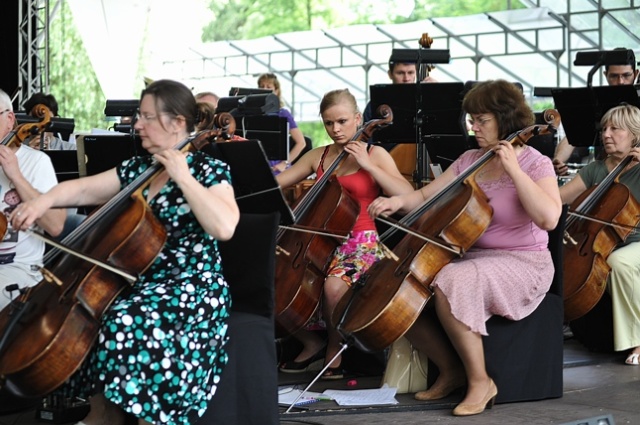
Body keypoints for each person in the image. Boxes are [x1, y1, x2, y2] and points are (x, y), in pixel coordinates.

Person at [11, 79, 240, 425]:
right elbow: (82, 189)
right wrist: (42, 200)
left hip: (192, 289)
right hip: (139, 283)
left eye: (147, 117)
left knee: (125, 320)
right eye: (139, 116)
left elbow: (224, 227)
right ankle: (104, 413)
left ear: (176, 123)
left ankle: (151, 418)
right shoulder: (139, 169)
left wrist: (183, 176)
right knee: (92, 316)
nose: (137, 125)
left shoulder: (210, 171)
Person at [368, 79, 562, 416]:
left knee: (454, 280)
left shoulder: (535, 162)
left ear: (506, 118)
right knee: (400, 289)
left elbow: (549, 218)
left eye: (482, 120)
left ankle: (480, 380)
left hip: (523, 263)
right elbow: (427, 196)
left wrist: (514, 170)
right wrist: (395, 200)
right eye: (471, 120)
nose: (474, 128)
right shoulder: (470, 159)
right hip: (471, 257)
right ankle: (451, 369)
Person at [275, 88, 414, 379]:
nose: (335, 129)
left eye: (341, 121)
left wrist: (366, 164)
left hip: (362, 243)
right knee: (277, 282)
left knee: (333, 287)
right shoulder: (319, 156)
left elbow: (408, 195)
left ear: (357, 119)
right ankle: (311, 341)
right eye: (328, 123)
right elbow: (278, 184)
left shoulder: (376, 154)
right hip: (318, 240)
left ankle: (334, 348)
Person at [558, 103, 640, 366]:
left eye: (615, 129)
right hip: (609, 243)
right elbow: (557, 201)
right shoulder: (595, 169)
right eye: (604, 128)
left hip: (637, 243)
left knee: (618, 262)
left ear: (634, 134)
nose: (606, 134)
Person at [0, 88, 66, 309]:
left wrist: (16, 176)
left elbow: (55, 225)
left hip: (18, 269)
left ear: (10, 119)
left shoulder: (36, 162)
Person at [553, 48, 639, 175]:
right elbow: (574, 135)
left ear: (636, 74)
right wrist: (558, 159)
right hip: (605, 170)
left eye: (626, 75)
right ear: (605, 75)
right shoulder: (597, 101)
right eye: (614, 76)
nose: (621, 81)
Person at [362, 55, 438, 123]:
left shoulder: (423, 99)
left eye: (410, 73)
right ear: (390, 74)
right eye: (400, 73)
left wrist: (438, 93)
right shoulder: (374, 104)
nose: (406, 78)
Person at [257, 73, 307, 173]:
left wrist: (285, 163)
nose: (264, 89)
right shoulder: (253, 114)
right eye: (262, 87)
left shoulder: (283, 114)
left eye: (268, 87)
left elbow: (301, 143)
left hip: (278, 169)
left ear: (276, 91)